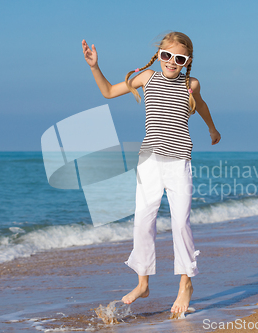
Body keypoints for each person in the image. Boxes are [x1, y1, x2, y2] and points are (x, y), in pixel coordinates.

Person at [82, 32, 221, 315]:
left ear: (187, 61)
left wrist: (211, 127)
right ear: (159, 54)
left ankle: (186, 284)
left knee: (181, 222)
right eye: (166, 55)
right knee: (143, 221)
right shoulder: (146, 78)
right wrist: (95, 67)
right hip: (149, 161)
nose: (171, 62)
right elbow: (108, 91)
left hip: (178, 160)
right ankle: (143, 282)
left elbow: (202, 106)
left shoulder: (190, 84)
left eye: (178, 58)